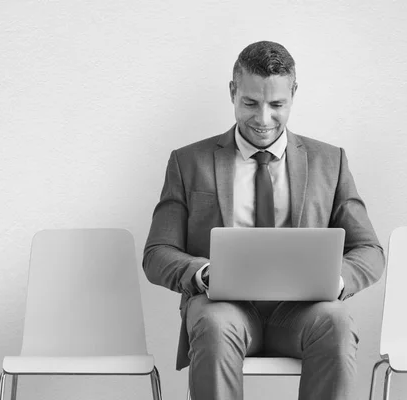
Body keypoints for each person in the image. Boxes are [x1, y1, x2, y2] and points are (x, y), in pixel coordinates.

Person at [142, 41, 385, 400]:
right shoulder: (188, 162)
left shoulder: (329, 162)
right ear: (232, 91)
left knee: (337, 322)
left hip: (304, 314)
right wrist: (203, 272)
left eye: (277, 105)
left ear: (293, 95)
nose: (264, 119)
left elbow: (370, 250)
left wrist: (335, 280)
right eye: (251, 103)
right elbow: (157, 253)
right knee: (212, 321)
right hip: (224, 310)